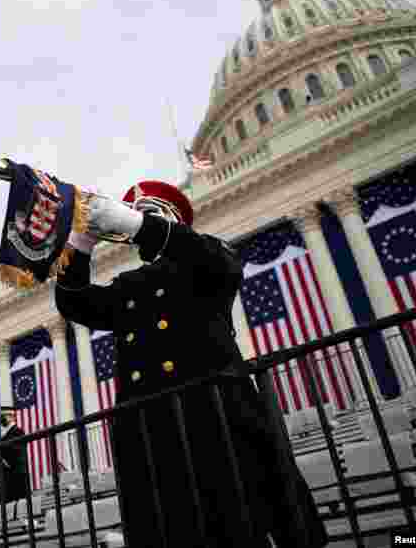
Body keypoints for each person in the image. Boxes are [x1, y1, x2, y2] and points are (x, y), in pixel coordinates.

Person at [54, 179, 328, 547]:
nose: (137, 220)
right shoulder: (128, 285)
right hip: (151, 425)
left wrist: (141, 226)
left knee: (239, 520)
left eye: (149, 214)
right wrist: (81, 243)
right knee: (169, 527)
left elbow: (214, 262)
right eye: (135, 214)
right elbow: (75, 303)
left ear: (175, 221)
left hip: (215, 414)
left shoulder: (209, 256)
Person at [0, 407, 29, 520]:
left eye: (3, 417)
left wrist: (5, 463)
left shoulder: (18, 431)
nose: (1, 419)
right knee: (4, 514)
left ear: (11, 416)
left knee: (17, 512)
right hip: (4, 478)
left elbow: (18, 453)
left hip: (15, 476)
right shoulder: (3, 437)